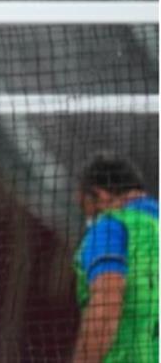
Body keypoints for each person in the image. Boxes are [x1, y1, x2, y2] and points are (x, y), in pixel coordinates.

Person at [72, 153, 158, 363]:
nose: (89, 218)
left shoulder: (110, 228)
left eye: (85, 208)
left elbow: (106, 304)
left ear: (99, 196)